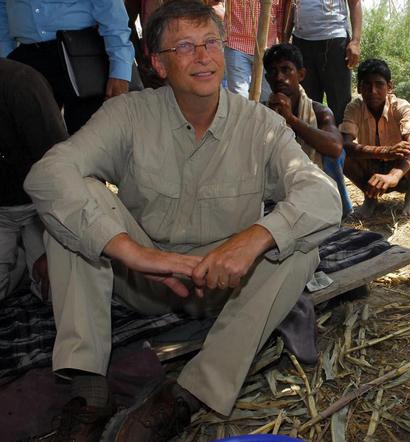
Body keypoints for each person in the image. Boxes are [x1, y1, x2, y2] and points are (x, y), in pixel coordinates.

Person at [23, 1, 341, 440]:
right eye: (185, 46)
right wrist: (136, 254)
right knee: (75, 205)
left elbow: (324, 197)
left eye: (211, 42)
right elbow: (47, 174)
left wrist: (254, 239)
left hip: (230, 283)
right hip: (145, 281)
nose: (203, 56)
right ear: (157, 63)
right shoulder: (127, 115)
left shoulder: (260, 125)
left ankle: (186, 395)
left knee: (302, 245)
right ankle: (90, 389)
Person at [0, 0, 136, 134]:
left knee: (92, 139)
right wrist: (7, 61)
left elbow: (110, 7)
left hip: (80, 56)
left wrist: (119, 70)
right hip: (26, 59)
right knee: (30, 142)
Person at [0, 58, 68, 302]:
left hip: (41, 208)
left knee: (54, 295)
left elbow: (61, 173)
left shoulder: (21, 83)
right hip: (2, 213)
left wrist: (58, 246)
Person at [263, 43, 353, 217]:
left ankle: (339, 209)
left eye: (286, 70)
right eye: (273, 72)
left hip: (315, 182)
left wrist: (291, 120)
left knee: (330, 155)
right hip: (280, 183)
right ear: (267, 79)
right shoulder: (262, 112)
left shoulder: (319, 112)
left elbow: (335, 147)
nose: (280, 77)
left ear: (301, 74)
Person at [339, 58, 410, 218]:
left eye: (379, 84)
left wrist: (394, 175)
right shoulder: (354, 107)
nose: (373, 91)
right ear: (359, 88)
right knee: (340, 154)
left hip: (402, 169)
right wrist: (384, 151)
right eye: (367, 85)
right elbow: (345, 144)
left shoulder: (401, 106)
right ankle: (370, 197)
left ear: (390, 87)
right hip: (372, 167)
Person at [290, 0, 361, 124]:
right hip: (301, 42)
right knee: (306, 105)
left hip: (335, 42)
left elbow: (354, 3)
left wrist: (355, 41)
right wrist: (285, 38)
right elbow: (289, 4)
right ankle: (308, 143)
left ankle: (342, 142)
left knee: (340, 105)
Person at [224, 0, 286, 99]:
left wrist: (281, 44)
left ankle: (261, 114)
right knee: (239, 96)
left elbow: (281, 13)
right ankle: (243, 114)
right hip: (237, 45)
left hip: (268, 48)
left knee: (268, 95)